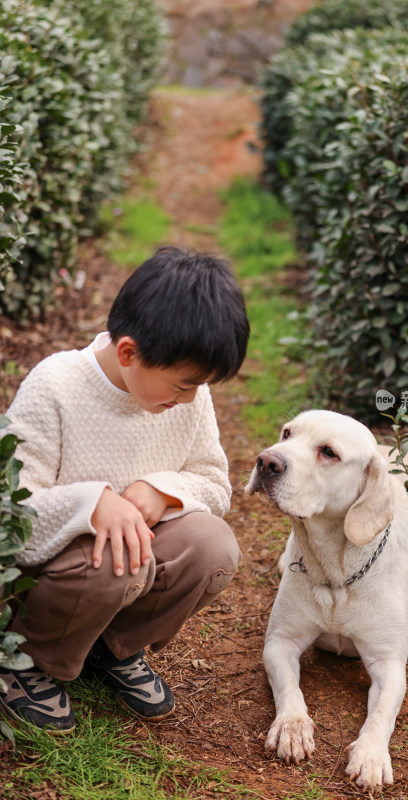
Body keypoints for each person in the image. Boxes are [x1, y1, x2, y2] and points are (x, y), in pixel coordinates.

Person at [0, 246, 249, 732]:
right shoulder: (56, 387)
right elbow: (13, 513)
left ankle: (110, 647)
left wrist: (162, 490)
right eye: (182, 386)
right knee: (120, 560)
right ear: (129, 352)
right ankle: (30, 659)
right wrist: (92, 505)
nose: (191, 399)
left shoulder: (187, 397)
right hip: (60, 569)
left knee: (213, 545)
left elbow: (214, 482)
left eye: (201, 386)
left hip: (123, 568)